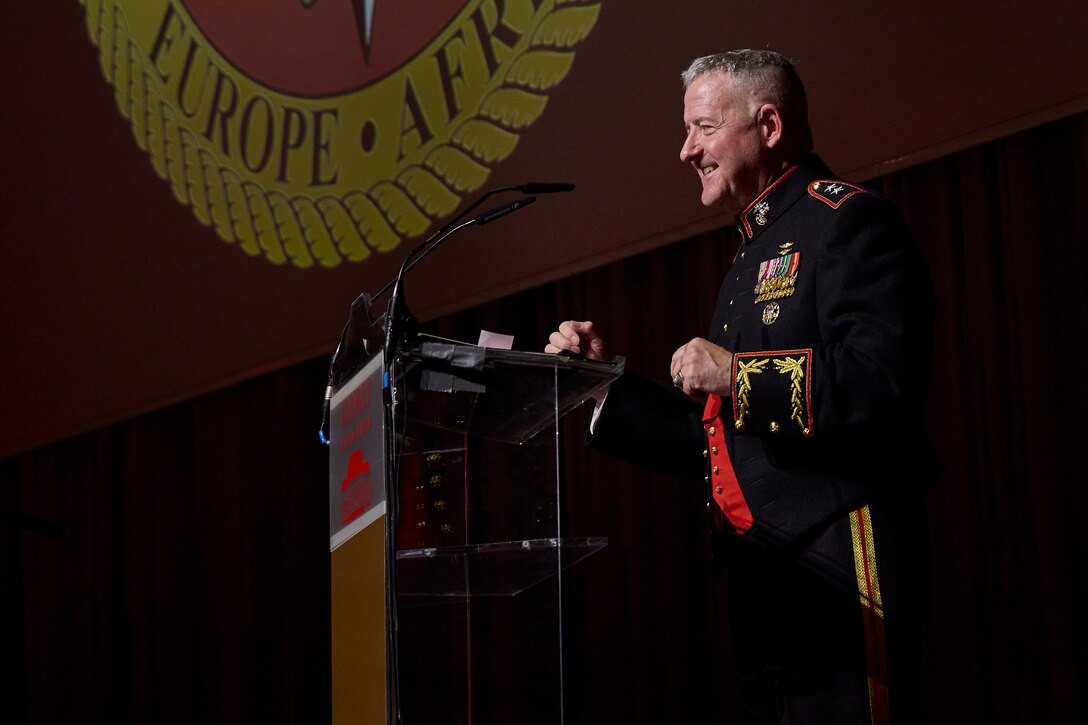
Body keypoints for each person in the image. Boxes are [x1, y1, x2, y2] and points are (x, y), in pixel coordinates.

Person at [546, 50, 934, 724]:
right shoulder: (750, 252)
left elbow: (877, 382)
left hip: (840, 559)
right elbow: (720, 434)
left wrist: (735, 372)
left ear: (770, 125)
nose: (684, 150)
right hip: (764, 578)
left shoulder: (845, 222)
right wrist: (599, 385)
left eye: (701, 127)